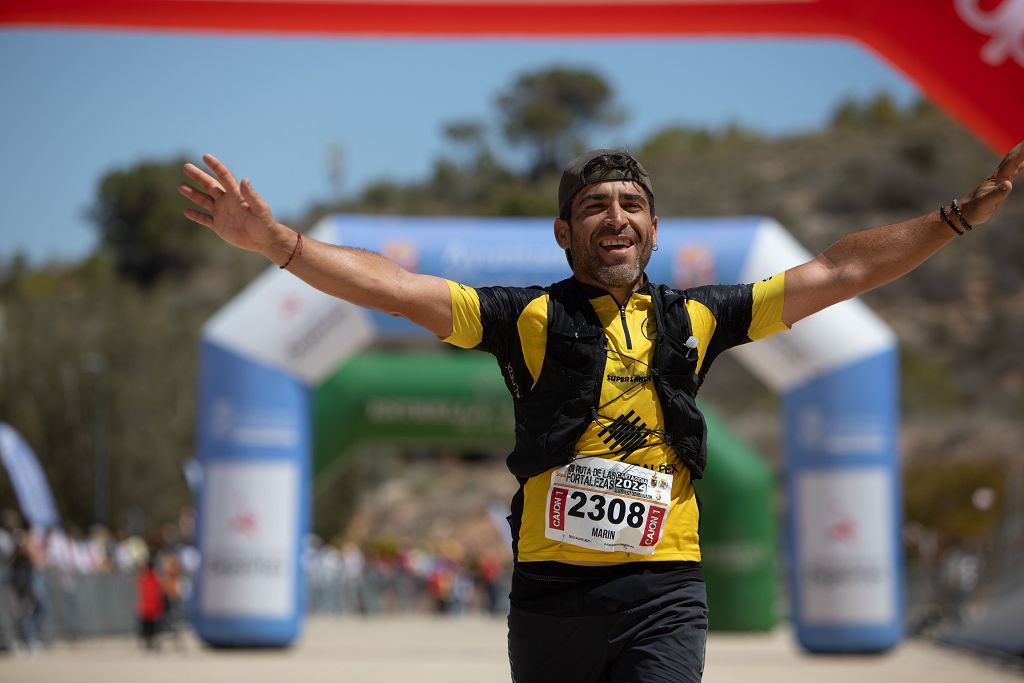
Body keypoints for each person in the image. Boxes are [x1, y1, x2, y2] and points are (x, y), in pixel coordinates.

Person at [180, 142, 1023, 682]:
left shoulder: (697, 317)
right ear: (563, 232)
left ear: (653, 229)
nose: (614, 217)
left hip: (664, 592)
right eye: (594, 207)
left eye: (629, 206)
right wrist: (278, 245)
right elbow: (396, 289)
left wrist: (956, 217)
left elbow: (837, 273)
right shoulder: (526, 317)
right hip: (552, 599)